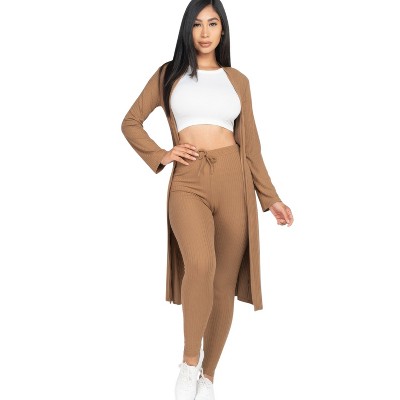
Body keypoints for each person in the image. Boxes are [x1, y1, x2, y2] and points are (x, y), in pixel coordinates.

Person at [121, 1, 294, 399]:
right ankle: (188, 365)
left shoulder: (238, 81)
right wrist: (162, 154)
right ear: (187, 29)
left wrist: (271, 198)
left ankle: (208, 378)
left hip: (234, 178)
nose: (204, 32)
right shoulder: (169, 75)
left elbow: (252, 147)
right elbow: (131, 122)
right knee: (200, 264)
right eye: (197, 24)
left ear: (222, 30)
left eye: (212, 24)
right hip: (189, 179)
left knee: (222, 284)